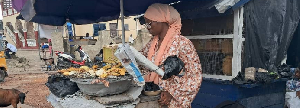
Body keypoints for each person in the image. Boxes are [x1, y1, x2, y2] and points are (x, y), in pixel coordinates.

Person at [139, 3, 202, 108]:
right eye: (146, 24)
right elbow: (141, 61)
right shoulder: (151, 44)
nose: (148, 28)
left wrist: (172, 93)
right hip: (153, 98)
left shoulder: (182, 43)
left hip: (173, 103)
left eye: (149, 23)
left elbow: (195, 77)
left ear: (161, 20)